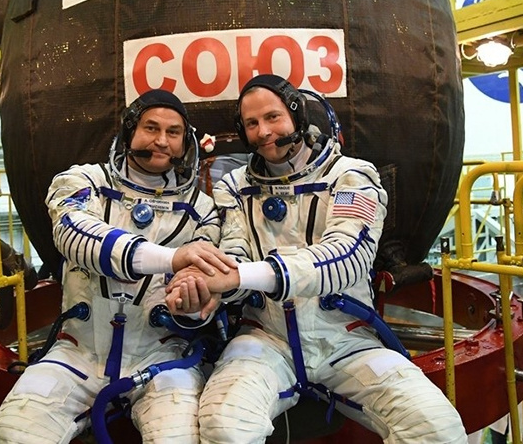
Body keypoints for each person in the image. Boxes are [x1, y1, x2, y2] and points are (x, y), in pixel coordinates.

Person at [166, 74, 468, 443]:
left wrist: (242, 276)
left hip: (346, 340)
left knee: (436, 428)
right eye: (252, 123)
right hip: (266, 339)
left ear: (297, 114)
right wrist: (207, 288)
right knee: (224, 425)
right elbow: (234, 256)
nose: (263, 132)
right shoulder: (235, 187)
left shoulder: (351, 176)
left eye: (273, 117)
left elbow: (347, 256)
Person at [0, 89, 235, 444]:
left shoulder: (202, 210)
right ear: (129, 131)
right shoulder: (84, 182)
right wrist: (170, 258)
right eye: (151, 128)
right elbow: (74, 234)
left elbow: (200, 289)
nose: (161, 141)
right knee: (13, 434)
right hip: (78, 353)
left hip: (160, 357)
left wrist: (192, 307)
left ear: (186, 143)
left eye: (173, 133)